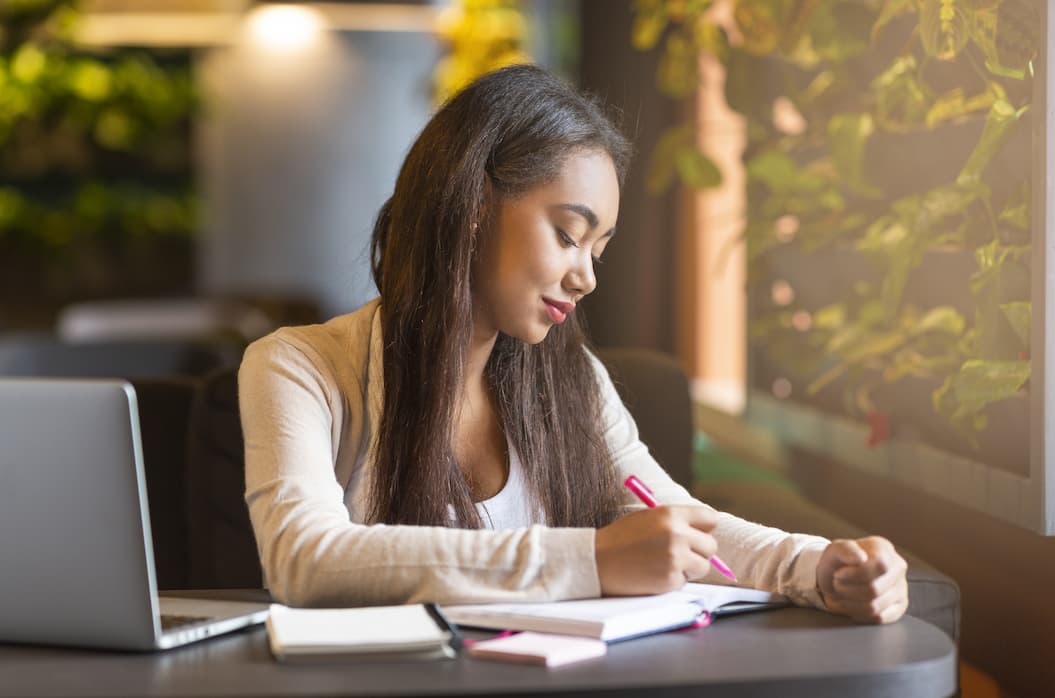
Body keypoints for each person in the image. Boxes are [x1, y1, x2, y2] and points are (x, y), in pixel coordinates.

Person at [238, 64, 908, 623]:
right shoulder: (297, 368)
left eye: (599, 249)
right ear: (472, 208)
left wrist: (818, 566)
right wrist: (593, 561)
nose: (586, 276)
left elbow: (678, 520)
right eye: (567, 234)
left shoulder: (572, 377)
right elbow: (305, 559)